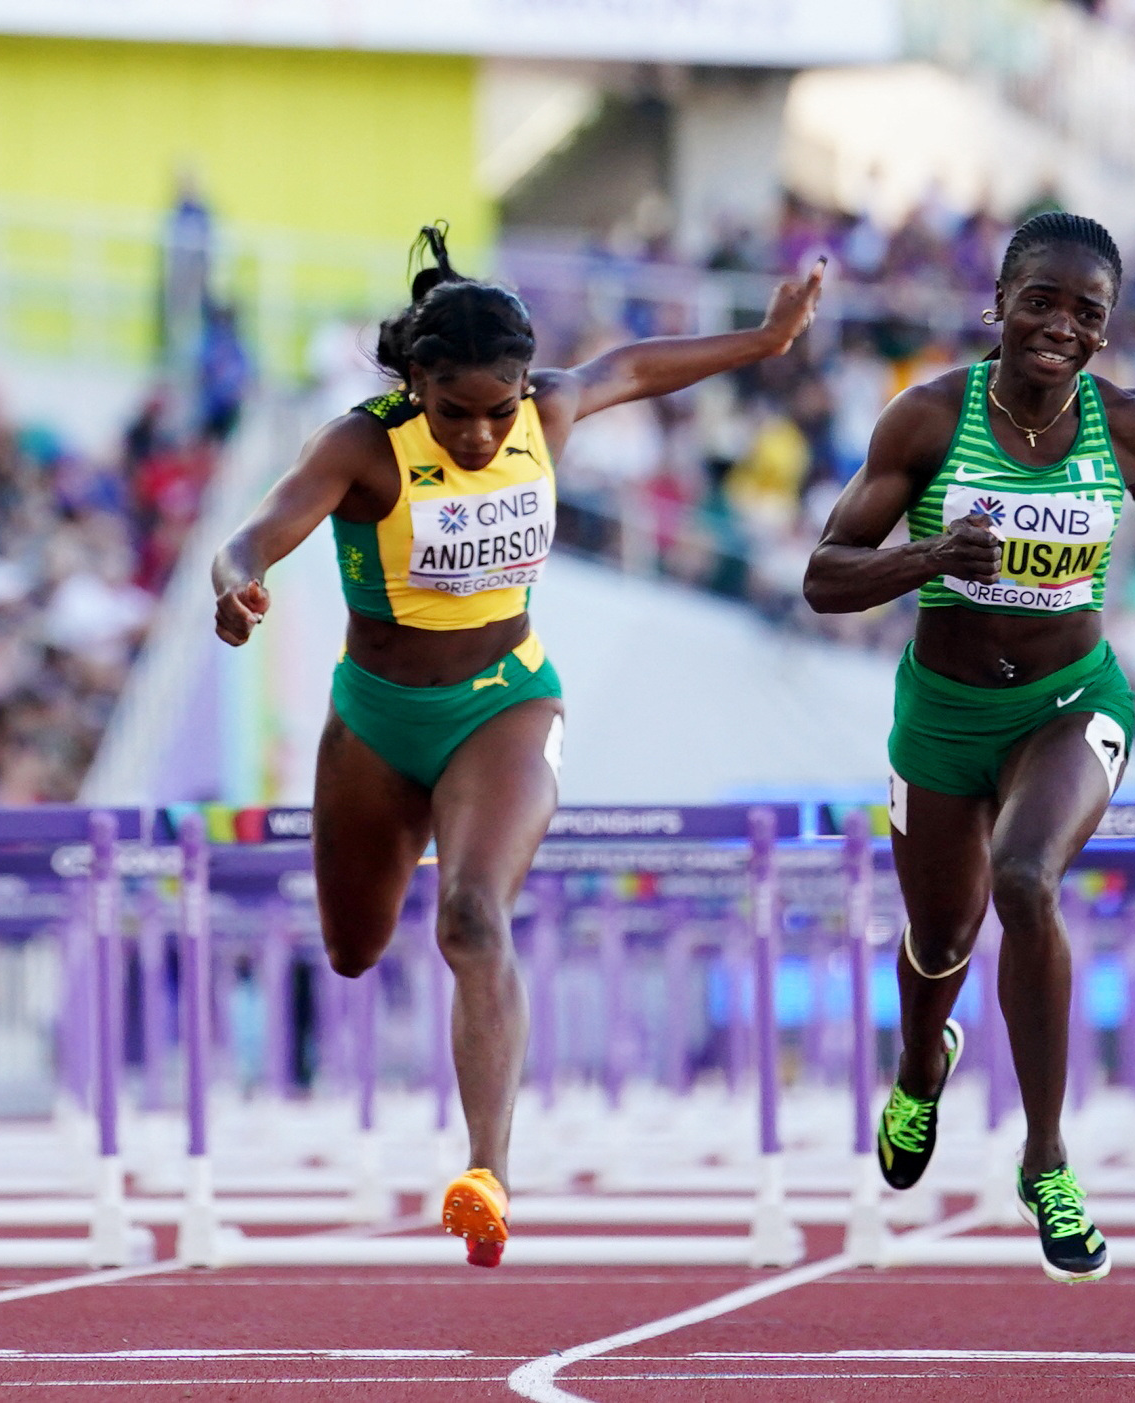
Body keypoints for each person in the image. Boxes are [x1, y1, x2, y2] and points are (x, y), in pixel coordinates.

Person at [212, 225, 824, 1265]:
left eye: (501, 410)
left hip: (504, 706)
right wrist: (234, 582)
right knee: (352, 951)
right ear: (416, 384)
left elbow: (631, 366)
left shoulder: (548, 409)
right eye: (457, 413)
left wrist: (764, 342)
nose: (485, 436)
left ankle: (485, 1169)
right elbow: (259, 527)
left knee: (470, 912)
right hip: (374, 717)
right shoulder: (363, 444)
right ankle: (404, 895)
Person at [803, 212, 1135, 1282]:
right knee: (939, 937)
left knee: (1024, 880)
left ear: (1105, 330)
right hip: (941, 712)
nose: (1059, 326)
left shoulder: (1128, 424)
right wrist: (932, 553)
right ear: (998, 304)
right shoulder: (928, 420)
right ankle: (917, 1064)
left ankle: (1044, 1159)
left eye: (1086, 312)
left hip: (1073, 698)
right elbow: (824, 573)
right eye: (1040, 301)